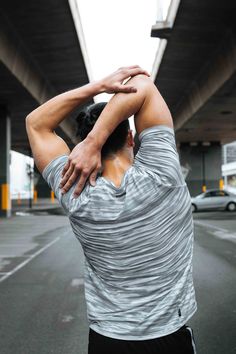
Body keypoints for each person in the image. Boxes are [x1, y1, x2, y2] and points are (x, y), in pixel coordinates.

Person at [26, 66, 197, 354]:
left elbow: (36, 123)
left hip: (109, 339)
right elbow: (142, 84)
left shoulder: (73, 189)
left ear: (79, 145)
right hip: (169, 335)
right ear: (131, 138)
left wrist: (97, 88)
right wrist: (96, 140)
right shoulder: (163, 173)